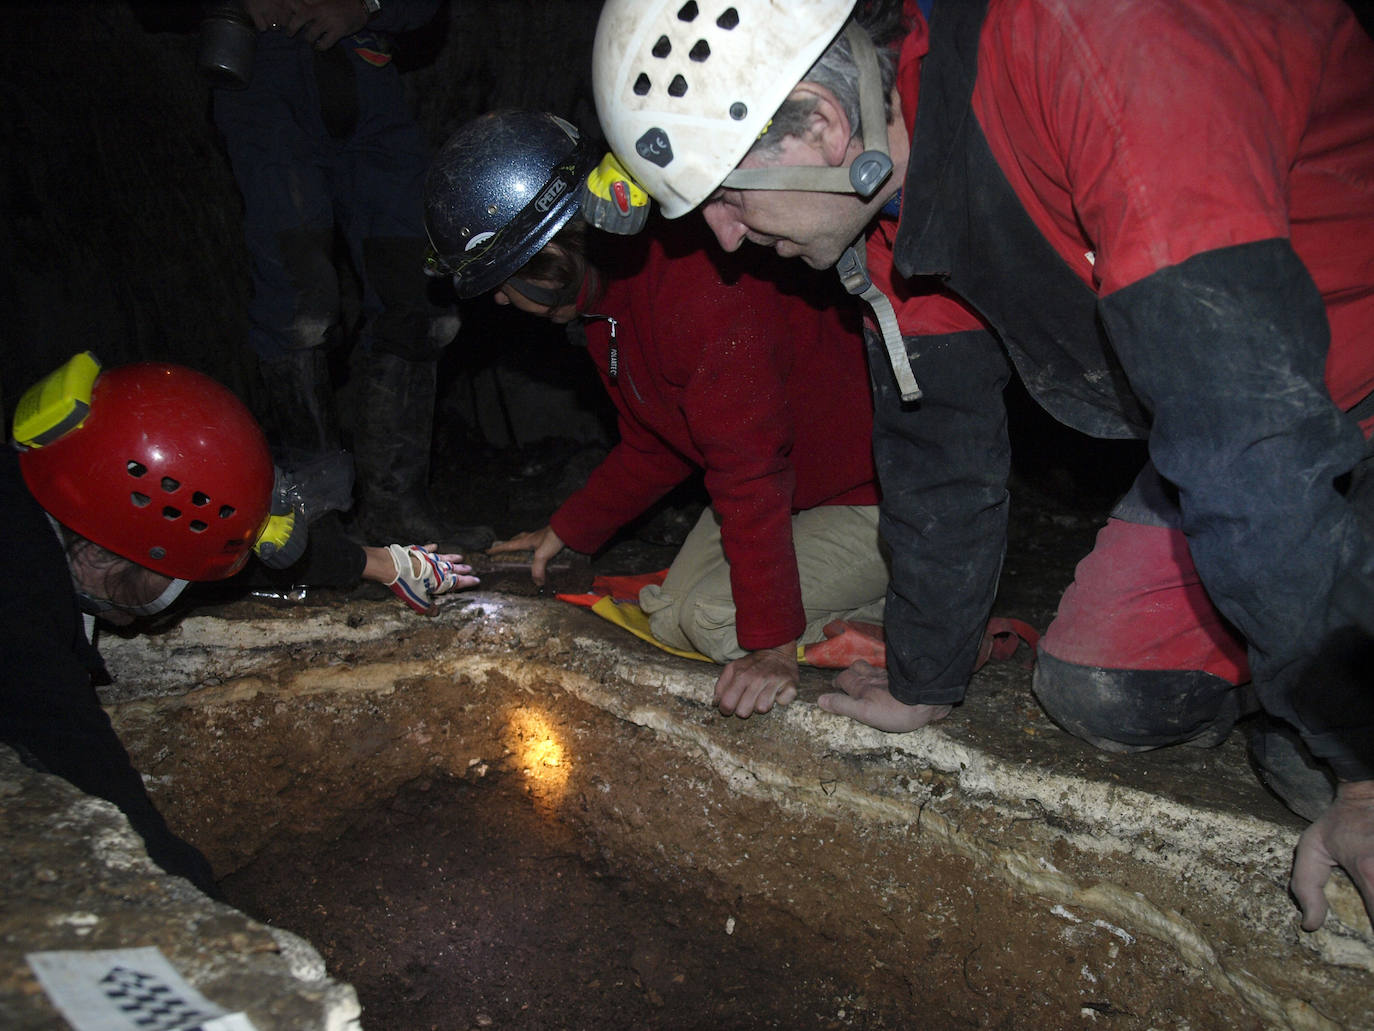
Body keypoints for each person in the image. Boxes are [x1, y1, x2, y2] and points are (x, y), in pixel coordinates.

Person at [589, 0, 1374, 930]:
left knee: (1323, 686)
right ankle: (1305, 650)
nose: (722, 237)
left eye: (725, 194)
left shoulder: (1096, 47)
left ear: (820, 123)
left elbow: (1243, 438)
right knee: (1103, 690)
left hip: (1316, 380)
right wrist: (926, 677)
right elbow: (940, 453)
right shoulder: (895, 209)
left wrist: (1363, 770)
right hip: (1239, 415)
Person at [423, 109, 890, 718]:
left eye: (509, 281)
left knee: (718, 623)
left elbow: (749, 471)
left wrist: (774, 645)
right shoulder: (606, 312)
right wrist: (566, 530)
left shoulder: (697, 289)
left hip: (871, 496)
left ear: (557, 247)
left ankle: (925, 615)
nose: (506, 301)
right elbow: (657, 443)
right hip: (798, 492)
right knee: (671, 615)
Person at [1, 353, 477, 895]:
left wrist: (382, 562)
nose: (196, 585)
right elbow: (111, 812)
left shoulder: (70, 495)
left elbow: (212, 553)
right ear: (107, 558)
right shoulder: (19, 628)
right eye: (179, 575)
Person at [207, 0, 488, 546]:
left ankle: (395, 507)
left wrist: (363, 7)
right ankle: (316, 521)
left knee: (417, 288)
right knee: (298, 301)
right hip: (264, 80)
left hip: (368, 84)